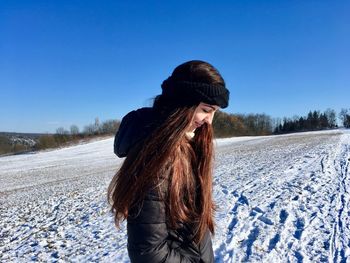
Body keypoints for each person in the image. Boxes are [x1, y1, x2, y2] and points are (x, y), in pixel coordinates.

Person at [108, 60, 229, 262]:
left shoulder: (186, 144)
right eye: (206, 110)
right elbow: (149, 252)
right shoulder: (159, 158)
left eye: (214, 112)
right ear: (182, 104)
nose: (209, 121)